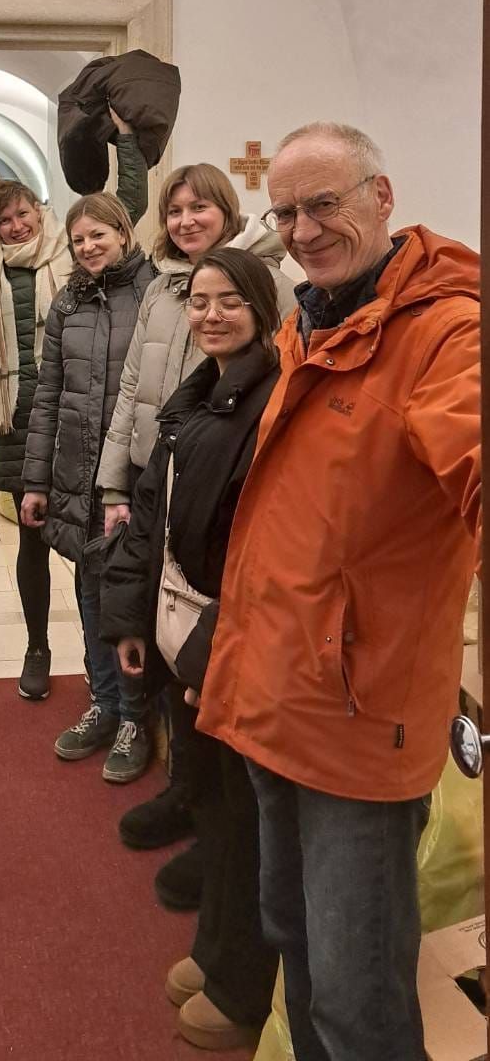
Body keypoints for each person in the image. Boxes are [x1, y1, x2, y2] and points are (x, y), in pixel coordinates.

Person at [197, 123, 481, 1061]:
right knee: (301, 955)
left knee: (359, 1002)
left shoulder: (446, 329)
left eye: (325, 204)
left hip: (359, 719)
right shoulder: (313, 318)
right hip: (275, 698)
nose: (304, 230)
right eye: (284, 213)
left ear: (382, 196)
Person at [97, 162, 297, 906]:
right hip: (168, 463)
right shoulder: (159, 289)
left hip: (224, 473)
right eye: (173, 210)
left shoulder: (263, 287)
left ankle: (220, 835)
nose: (184, 220)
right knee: (176, 659)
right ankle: (187, 796)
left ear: (226, 211)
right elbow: (130, 389)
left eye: (198, 208)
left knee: (212, 674)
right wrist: (117, 478)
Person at [102, 249, 281, 1050]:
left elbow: (258, 554)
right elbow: (151, 520)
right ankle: (214, 951)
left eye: (228, 301)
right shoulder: (197, 396)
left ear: (262, 307)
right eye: (199, 301)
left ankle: (244, 986)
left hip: (231, 638)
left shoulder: (269, 402)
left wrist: (215, 654)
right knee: (206, 796)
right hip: (184, 629)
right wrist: (131, 621)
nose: (210, 314)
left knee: (244, 818)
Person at [0, 111, 148, 703]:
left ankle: (99, 660)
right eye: (5, 220)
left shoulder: (77, 252)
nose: (18, 224)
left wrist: (127, 141)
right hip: (17, 421)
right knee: (31, 538)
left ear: (39, 211)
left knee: (93, 540)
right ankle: (36, 646)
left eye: (24, 213)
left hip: (80, 417)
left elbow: (123, 204)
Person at [20, 192, 155, 783]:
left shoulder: (156, 293)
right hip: (76, 471)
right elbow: (47, 396)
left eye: (98, 234)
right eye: (78, 240)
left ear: (122, 233)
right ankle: (101, 702)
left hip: (132, 477)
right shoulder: (65, 303)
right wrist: (35, 481)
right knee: (89, 594)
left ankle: (135, 717)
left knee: (127, 599)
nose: (89, 246)